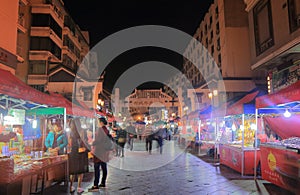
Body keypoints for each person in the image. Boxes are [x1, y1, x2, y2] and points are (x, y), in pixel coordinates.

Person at [88, 117, 111, 192]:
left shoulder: (100, 130)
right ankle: (103, 183)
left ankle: (95, 185)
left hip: (99, 152)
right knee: (104, 167)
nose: (98, 123)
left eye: (98, 122)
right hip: (104, 152)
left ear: (101, 122)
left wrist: (92, 143)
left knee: (97, 168)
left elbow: (98, 140)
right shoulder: (106, 130)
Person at [68, 119, 88, 193]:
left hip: (73, 152)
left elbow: (69, 143)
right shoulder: (82, 131)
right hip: (81, 152)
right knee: (80, 170)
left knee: (72, 170)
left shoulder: (70, 132)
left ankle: (71, 186)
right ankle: (79, 187)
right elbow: (85, 141)